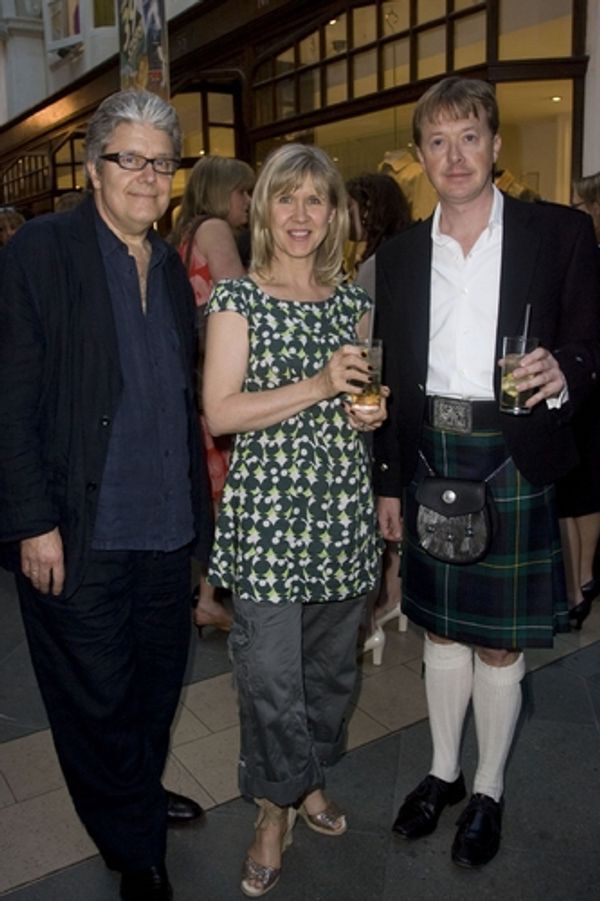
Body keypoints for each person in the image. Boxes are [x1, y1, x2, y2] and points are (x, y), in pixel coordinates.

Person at [374, 76, 600, 870]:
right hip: (430, 451)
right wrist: (388, 482)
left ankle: (490, 788)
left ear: (496, 145)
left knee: (500, 646)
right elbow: (390, 374)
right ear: (421, 155)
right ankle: (443, 771)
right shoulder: (400, 254)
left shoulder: (559, 232)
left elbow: (592, 341)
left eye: (469, 137)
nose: (455, 155)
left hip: (513, 452)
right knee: (439, 630)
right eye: (437, 142)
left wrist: (564, 369)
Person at [0, 89, 213, 901]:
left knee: (155, 687)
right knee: (95, 698)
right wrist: (32, 521)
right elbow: (10, 398)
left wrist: (201, 529)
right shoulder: (42, 251)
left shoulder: (170, 266)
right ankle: (134, 847)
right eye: (130, 158)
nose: (148, 176)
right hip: (78, 528)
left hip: (164, 528)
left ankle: (136, 794)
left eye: (162, 162)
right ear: (94, 168)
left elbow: (181, 402)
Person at [202, 143, 387, 898]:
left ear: (335, 212)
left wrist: (368, 414)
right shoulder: (237, 300)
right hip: (269, 525)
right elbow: (220, 411)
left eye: (316, 199)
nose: (301, 214)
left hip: (341, 517)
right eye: (286, 197)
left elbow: (358, 402)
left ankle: (305, 776)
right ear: (264, 211)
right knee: (271, 681)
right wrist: (317, 384)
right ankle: (272, 811)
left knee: (331, 677)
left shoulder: (351, 304)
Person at [169, 155, 255, 634]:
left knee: (212, 494)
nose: (249, 201)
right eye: (243, 192)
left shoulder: (184, 234)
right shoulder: (216, 229)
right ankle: (210, 598)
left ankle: (208, 595)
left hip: (198, 381)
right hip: (223, 380)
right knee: (226, 496)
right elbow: (241, 298)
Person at [346, 173, 412, 663]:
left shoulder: (376, 264)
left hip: (375, 398)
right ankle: (394, 597)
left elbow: (365, 343)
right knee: (388, 512)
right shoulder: (403, 255)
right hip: (396, 398)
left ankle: (376, 614)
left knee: (378, 511)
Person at [555, 170, 600, 627]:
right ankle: (583, 579)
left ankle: (581, 580)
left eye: (581, 204)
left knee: (579, 488)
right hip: (583, 383)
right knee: (584, 486)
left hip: (587, 386)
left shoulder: (588, 257)